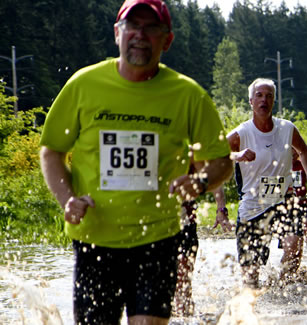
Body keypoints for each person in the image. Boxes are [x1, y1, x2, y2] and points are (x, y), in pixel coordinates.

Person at [38, 1, 233, 323]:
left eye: (151, 28)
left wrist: (199, 182)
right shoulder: (84, 85)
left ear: (166, 40)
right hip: (95, 238)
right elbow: (52, 150)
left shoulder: (188, 95)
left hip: (158, 239)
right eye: (132, 26)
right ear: (117, 33)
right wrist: (67, 199)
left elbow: (221, 161)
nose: (140, 35)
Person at [215, 78, 307, 288]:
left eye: (269, 96)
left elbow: (305, 151)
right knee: (251, 279)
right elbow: (214, 158)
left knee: (295, 249)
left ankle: (283, 293)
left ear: (274, 101)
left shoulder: (287, 128)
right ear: (251, 101)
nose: (264, 100)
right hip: (253, 208)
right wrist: (237, 156)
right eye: (259, 96)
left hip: (284, 201)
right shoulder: (241, 134)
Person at [174, 160, 232, 317]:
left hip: (185, 219)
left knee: (183, 280)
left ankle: (184, 313)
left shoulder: (188, 147)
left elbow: (212, 176)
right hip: (153, 221)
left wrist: (221, 209)